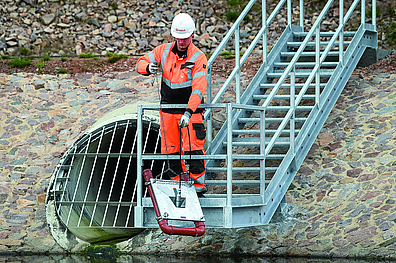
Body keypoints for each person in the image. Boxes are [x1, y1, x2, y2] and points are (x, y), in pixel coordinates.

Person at [135, 13, 207, 196]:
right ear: (174, 36)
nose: (181, 42)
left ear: (192, 36)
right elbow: (140, 62)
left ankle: (198, 187)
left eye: (184, 38)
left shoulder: (199, 58)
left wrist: (189, 112)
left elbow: (198, 89)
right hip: (167, 111)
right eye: (178, 38)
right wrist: (147, 68)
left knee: (193, 149)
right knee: (171, 151)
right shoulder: (164, 51)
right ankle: (177, 185)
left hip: (190, 112)